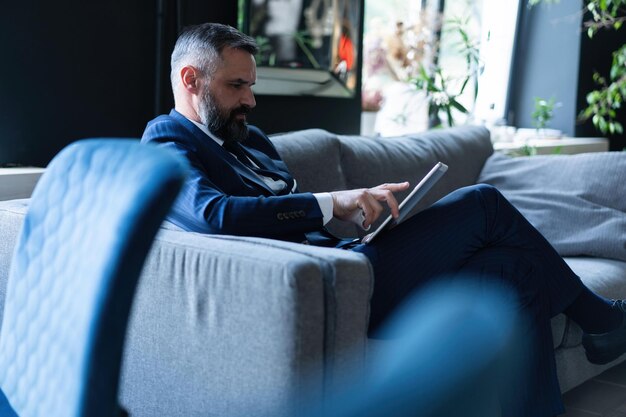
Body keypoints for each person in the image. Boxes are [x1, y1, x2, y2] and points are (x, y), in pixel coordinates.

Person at [141, 23, 626, 417]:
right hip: (330, 283)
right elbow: (213, 215)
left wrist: (361, 227)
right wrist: (334, 201)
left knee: (510, 269)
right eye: (236, 85)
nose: (250, 99)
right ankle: (602, 319)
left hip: (349, 257)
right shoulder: (167, 139)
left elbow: (288, 217)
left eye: (251, 85)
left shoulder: (252, 139)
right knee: (484, 203)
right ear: (190, 80)